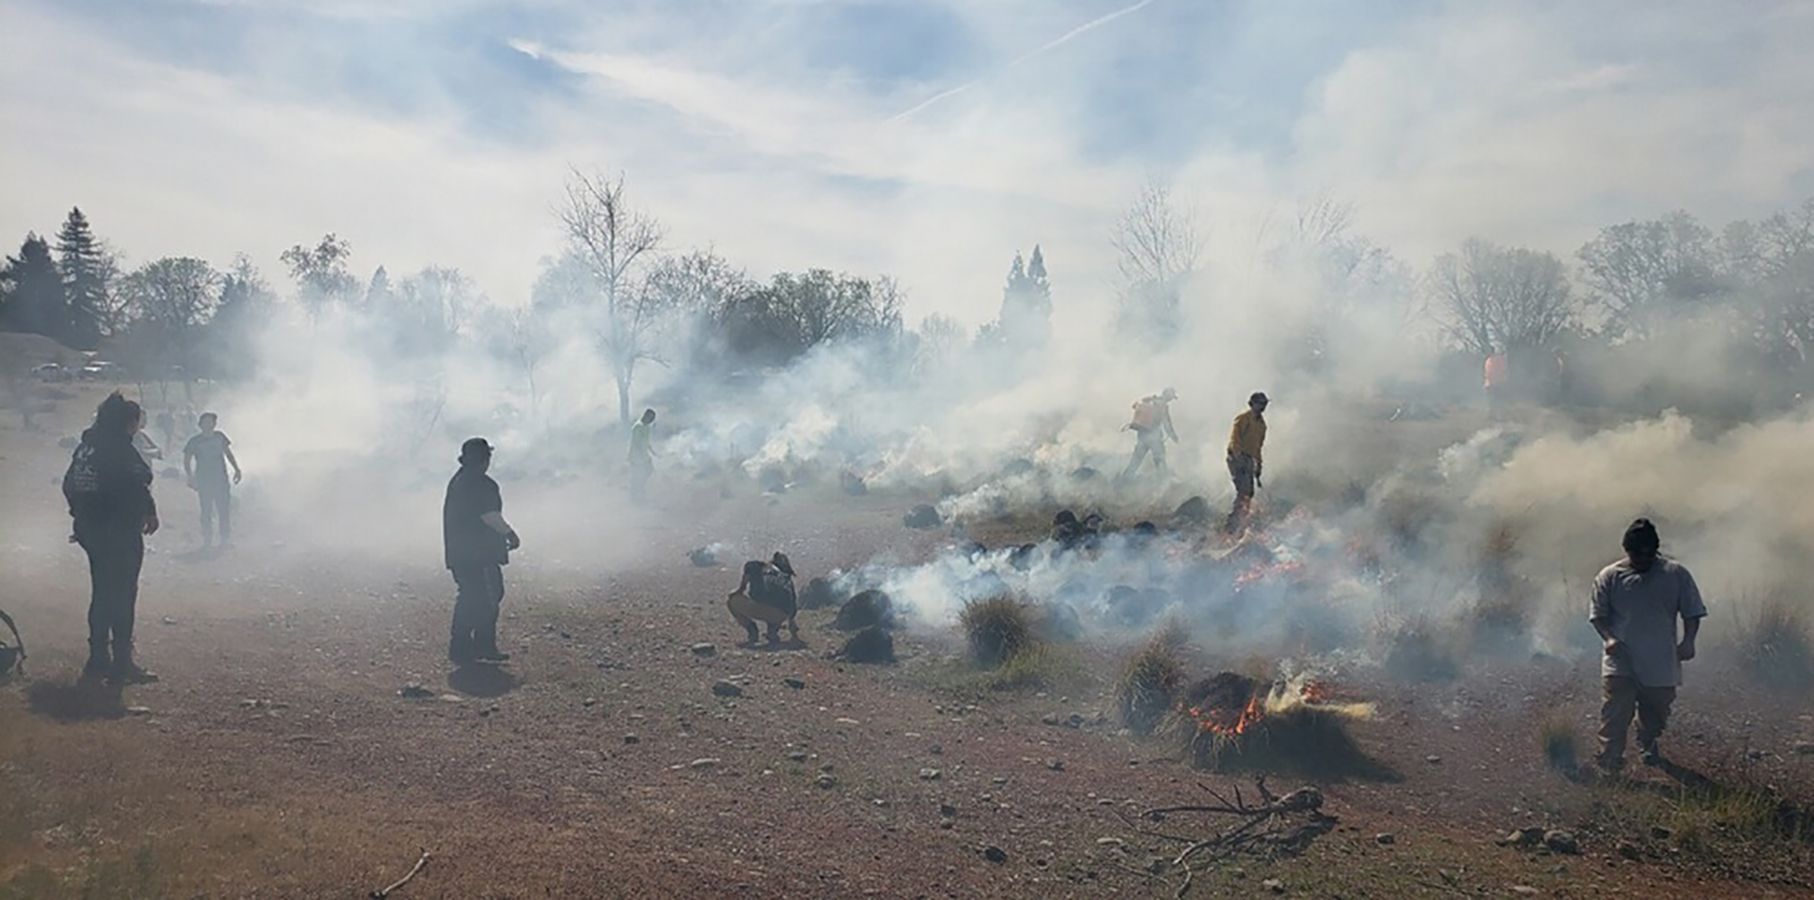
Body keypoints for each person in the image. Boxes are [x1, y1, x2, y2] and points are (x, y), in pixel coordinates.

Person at [1590, 518, 1706, 773]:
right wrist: (1609, 638)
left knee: (1657, 711)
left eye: (1647, 555)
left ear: (1655, 550)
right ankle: (1609, 761)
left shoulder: (1675, 574)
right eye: (1635, 555)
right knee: (1615, 712)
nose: (1641, 561)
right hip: (1621, 659)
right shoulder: (1610, 576)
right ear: (1626, 550)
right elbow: (1598, 615)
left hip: (1661, 659)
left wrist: (1688, 641)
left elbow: (1692, 611)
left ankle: (1647, 740)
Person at [62, 391, 160, 684]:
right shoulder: (118, 447)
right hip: (118, 531)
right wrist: (148, 511)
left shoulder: (86, 447)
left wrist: (81, 516)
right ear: (127, 422)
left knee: (101, 592)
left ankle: (97, 658)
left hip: (91, 531)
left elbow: (69, 485)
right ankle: (122, 662)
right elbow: (139, 480)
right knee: (123, 593)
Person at [442, 438, 520, 664]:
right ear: (485, 459)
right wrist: (510, 533)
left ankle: (468, 647)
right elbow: (490, 516)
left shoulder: (459, 480)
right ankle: (474, 647)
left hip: (461, 553)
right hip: (478, 554)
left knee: (475, 595)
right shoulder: (482, 484)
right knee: (483, 597)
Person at [183, 412, 242, 548]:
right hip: (204, 480)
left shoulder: (220, 437)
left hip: (221, 479)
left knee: (224, 509)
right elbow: (187, 460)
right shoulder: (194, 441)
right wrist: (190, 477)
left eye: (211, 422)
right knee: (206, 510)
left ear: (214, 424)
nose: (208, 425)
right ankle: (207, 539)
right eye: (205, 422)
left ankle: (224, 539)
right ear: (200, 424)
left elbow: (228, 454)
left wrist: (237, 469)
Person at [727, 552, 799, 645]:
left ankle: (752, 632)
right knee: (774, 602)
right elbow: (792, 605)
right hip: (781, 615)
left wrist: (740, 589)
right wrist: (793, 631)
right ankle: (772, 631)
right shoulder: (786, 576)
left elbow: (741, 588)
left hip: (763, 608)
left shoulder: (756, 566)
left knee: (732, 601)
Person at [1225, 392, 1268, 532]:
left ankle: (1240, 521)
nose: (1262, 406)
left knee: (1249, 492)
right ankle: (1232, 525)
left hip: (1248, 459)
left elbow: (1258, 447)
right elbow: (1235, 439)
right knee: (1243, 491)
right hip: (1237, 458)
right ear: (1251, 404)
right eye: (1260, 403)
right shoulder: (1243, 419)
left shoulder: (1262, 425)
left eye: (1264, 404)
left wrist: (1258, 466)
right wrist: (1238, 458)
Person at [1120, 388, 1179, 479]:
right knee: (1159, 459)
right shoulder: (1163, 406)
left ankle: (1124, 479)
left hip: (1142, 434)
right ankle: (1164, 482)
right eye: (1171, 397)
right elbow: (1166, 423)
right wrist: (1173, 436)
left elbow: (1135, 406)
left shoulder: (1149, 400)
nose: (1171, 400)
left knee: (1136, 460)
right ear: (1168, 396)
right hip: (1154, 437)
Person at [628, 408, 657, 502]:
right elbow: (637, 443)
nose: (652, 420)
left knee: (648, 471)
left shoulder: (647, 427)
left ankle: (639, 489)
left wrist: (653, 452)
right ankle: (635, 494)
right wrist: (642, 455)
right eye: (651, 418)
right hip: (636, 456)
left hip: (643, 456)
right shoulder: (637, 427)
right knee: (638, 474)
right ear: (646, 416)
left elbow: (646, 441)